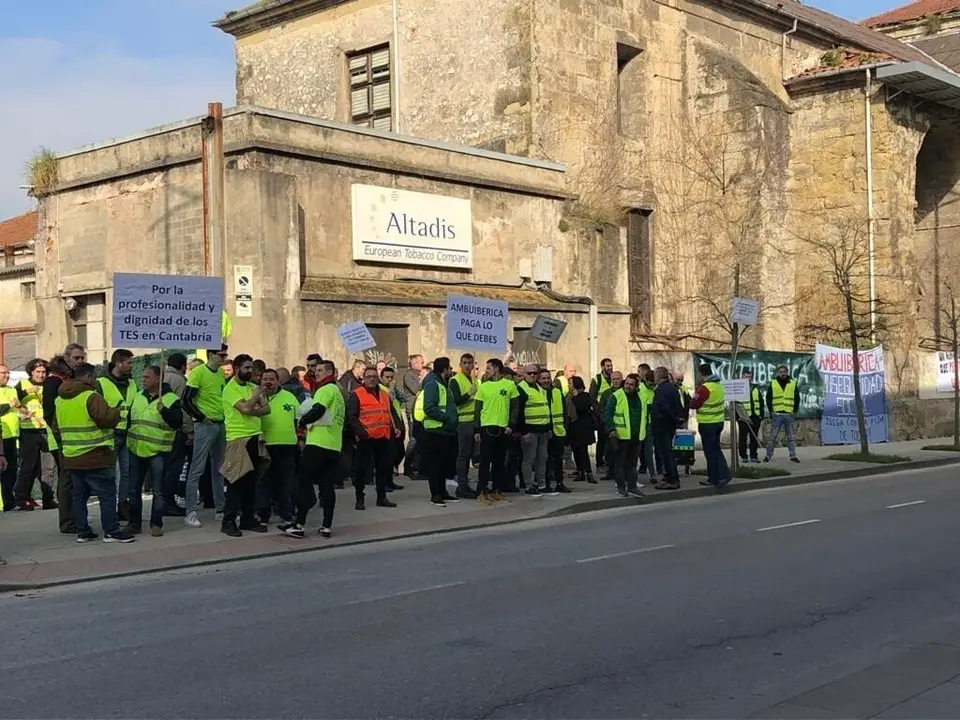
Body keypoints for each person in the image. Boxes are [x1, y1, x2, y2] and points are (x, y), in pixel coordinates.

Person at [53, 362, 134, 543]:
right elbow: (106, 419)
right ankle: (111, 531)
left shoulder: (60, 400)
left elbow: (56, 429)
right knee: (106, 494)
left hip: (72, 457)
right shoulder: (91, 397)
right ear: (89, 377)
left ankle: (83, 532)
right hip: (96, 455)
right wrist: (116, 412)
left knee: (79, 496)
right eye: (94, 377)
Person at [125, 366, 182, 536]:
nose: (143, 380)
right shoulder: (137, 396)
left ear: (158, 379)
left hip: (158, 451)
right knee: (133, 489)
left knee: (159, 491)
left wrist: (164, 411)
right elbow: (130, 419)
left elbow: (178, 422)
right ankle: (134, 523)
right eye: (143, 377)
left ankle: (156, 523)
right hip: (136, 449)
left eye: (147, 377)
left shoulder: (171, 399)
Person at [220, 354, 271, 537]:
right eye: (246, 368)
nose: (250, 371)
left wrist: (253, 405)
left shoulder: (251, 387)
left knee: (251, 482)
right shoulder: (230, 389)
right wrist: (255, 398)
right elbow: (246, 409)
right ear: (236, 368)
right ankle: (229, 520)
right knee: (236, 482)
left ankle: (248, 518)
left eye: (251, 368)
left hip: (255, 438)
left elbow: (266, 409)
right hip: (238, 439)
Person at [292, 360, 343, 538]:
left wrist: (302, 421)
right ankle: (326, 526)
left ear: (330, 372)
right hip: (333, 445)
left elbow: (318, 410)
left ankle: (299, 524)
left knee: (303, 482)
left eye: (321, 370)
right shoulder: (338, 392)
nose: (317, 373)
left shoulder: (325, 389)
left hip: (317, 444)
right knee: (326, 485)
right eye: (316, 370)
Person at [181, 345, 229, 527]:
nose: (224, 357)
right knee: (197, 468)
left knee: (219, 468)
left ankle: (220, 508)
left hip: (219, 423)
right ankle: (190, 511)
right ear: (211, 355)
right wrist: (201, 417)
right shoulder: (199, 372)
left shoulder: (219, 374)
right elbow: (185, 399)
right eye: (221, 354)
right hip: (205, 425)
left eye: (225, 354)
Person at [347, 366, 398, 510]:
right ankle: (359, 498)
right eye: (368, 376)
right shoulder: (357, 394)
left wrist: (397, 428)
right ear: (364, 378)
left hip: (383, 437)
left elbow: (391, 412)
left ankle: (381, 497)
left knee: (382, 469)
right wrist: (361, 433)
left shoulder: (384, 394)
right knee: (361, 470)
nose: (371, 379)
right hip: (366, 438)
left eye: (374, 376)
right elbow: (351, 417)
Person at [97, 349, 138, 521]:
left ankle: (123, 506)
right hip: (110, 434)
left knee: (126, 473)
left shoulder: (132, 384)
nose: (131, 366)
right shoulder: (101, 383)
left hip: (127, 434)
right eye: (129, 362)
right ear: (119, 363)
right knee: (110, 474)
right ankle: (110, 508)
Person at [473, 359, 519, 505]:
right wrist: (477, 429)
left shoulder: (510, 385)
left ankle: (497, 489)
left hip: (503, 428)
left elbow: (515, 407)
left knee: (499, 461)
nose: (486, 371)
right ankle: (482, 490)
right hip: (487, 427)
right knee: (485, 461)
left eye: (488, 368)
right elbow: (477, 409)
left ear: (497, 369)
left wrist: (511, 425)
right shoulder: (484, 387)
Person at [13, 359, 56, 511]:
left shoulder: (50, 385)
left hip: (46, 430)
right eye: (38, 372)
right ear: (31, 372)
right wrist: (27, 392)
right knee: (28, 466)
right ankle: (21, 498)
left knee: (48, 468)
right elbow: (13, 401)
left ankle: (48, 498)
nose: (41, 375)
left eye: (44, 372)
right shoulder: (23, 384)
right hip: (28, 430)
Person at [416, 357, 459, 507]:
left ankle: (443, 492)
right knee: (435, 465)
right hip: (436, 430)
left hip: (444, 430)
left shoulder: (441, 383)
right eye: (450, 368)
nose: (451, 371)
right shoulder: (433, 384)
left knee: (442, 465)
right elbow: (430, 407)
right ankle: (435, 495)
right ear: (445, 369)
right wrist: (446, 418)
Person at [259, 369, 299, 527]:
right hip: (265, 446)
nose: (268, 382)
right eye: (265, 379)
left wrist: (300, 439)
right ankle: (263, 516)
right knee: (264, 482)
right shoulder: (256, 397)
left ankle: (287, 514)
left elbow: (299, 419)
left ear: (278, 381)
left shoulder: (289, 397)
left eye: (271, 379)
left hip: (287, 446)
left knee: (286, 482)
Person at [605, 373, 647, 499]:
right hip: (621, 436)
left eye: (631, 384)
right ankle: (621, 487)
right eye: (627, 383)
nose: (628, 386)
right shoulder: (616, 396)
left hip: (636, 436)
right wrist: (611, 429)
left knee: (633, 464)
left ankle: (633, 487)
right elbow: (608, 414)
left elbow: (646, 413)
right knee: (620, 464)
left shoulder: (641, 396)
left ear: (637, 386)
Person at [690, 363, 731, 488]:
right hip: (718, 422)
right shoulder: (719, 386)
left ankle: (716, 477)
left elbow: (694, 404)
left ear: (702, 375)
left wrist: (691, 398)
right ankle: (721, 476)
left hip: (708, 424)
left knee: (710, 452)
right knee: (716, 449)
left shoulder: (704, 388)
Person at [161, 353, 190, 517]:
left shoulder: (161, 377)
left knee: (164, 468)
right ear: (183, 365)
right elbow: (183, 408)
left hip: (160, 429)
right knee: (174, 468)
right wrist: (189, 430)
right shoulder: (179, 381)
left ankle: (164, 500)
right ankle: (168, 502)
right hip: (176, 430)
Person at [518, 364, 552, 497]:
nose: (532, 375)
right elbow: (519, 412)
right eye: (529, 373)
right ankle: (528, 485)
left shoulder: (539, 387)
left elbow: (545, 408)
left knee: (542, 458)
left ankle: (542, 485)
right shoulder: (521, 389)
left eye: (534, 373)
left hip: (543, 429)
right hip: (530, 430)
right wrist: (523, 432)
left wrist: (548, 427)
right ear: (524, 374)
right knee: (529, 459)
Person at [449, 353, 479, 499]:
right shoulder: (455, 380)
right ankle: (461, 485)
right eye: (465, 363)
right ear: (460, 364)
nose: (468, 366)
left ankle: (466, 484)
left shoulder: (475, 380)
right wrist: (468, 394)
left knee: (471, 456)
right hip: (463, 422)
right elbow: (456, 400)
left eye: (470, 363)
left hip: (474, 422)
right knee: (463, 455)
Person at [651, 366, 683, 490]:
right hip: (669, 426)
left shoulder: (661, 390)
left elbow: (664, 408)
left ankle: (671, 479)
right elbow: (678, 406)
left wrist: (672, 419)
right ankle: (670, 476)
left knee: (666, 453)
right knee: (668, 452)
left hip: (662, 426)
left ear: (658, 376)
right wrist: (677, 420)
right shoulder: (673, 388)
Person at [765, 364, 801, 464]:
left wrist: (795, 411)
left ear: (787, 372)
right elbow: (768, 398)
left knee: (791, 437)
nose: (783, 374)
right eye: (781, 372)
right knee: (772, 436)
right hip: (777, 414)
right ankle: (768, 456)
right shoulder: (773, 383)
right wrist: (771, 411)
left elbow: (797, 398)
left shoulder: (793, 383)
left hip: (789, 414)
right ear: (778, 373)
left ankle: (793, 456)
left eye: (784, 372)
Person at [543, 368, 571, 493]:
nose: (546, 380)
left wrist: (565, 428)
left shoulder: (557, 392)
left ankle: (560, 482)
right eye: (543, 378)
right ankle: (546, 483)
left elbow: (564, 412)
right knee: (544, 460)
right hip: (544, 431)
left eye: (548, 378)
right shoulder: (538, 393)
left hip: (558, 430)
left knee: (558, 459)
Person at [566, 376, 598, 483]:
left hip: (583, 427)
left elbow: (582, 407)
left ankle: (588, 472)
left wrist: (575, 397)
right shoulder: (569, 396)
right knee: (576, 451)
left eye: (570, 384)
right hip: (573, 427)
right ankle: (580, 471)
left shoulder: (584, 396)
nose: (569, 386)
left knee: (583, 451)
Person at [379, 366, 406, 485]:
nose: (389, 379)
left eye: (391, 377)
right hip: (388, 423)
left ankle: (389, 480)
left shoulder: (392, 387)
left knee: (398, 452)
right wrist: (391, 389)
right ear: (381, 377)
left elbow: (403, 398)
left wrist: (396, 388)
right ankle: (386, 481)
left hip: (397, 421)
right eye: (387, 377)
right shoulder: (381, 388)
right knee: (388, 455)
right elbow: (390, 399)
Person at [400, 354, 424, 477]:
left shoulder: (418, 375)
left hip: (420, 411)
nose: (422, 364)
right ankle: (408, 465)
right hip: (412, 410)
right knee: (414, 439)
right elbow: (417, 390)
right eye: (420, 362)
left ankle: (417, 466)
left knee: (420, 439)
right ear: (414, 364)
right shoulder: (409, 375)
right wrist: (423, 379)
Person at [0, 365, 20, 512]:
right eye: (3, 373)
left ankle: (10, 501)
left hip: (13, 435)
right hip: (2, 436)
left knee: (12, 470)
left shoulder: (12, 389)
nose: (6, 375)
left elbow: (16, 408)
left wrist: (23, 414)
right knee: (4, 471)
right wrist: (8, 405)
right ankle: (6, 502)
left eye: (8, 372)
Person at [589, 357, 615, 472]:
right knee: (602, 440)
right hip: (602, 415)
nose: (610, 368)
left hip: (614, 414)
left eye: (611, 365)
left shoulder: (614, 378)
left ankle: (609, 462)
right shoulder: (597, 380)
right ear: (603, 367)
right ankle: (599, 463)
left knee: (611, 440)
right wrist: (599, 412)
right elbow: (592, 398)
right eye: (607, 366)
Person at [597, 371, 623, 480]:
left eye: (618, 379)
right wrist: (606, 422)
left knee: (621, 452)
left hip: (623, 427)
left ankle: (620, 473)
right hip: (610, 427)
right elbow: (601, 409)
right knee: (609, 451)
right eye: (614, 379)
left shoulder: (625, 392)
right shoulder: (606, 393)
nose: (616, 381)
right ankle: (610, 472)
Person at [738, 369, 764, 464]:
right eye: (746, 377)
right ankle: (744, 456)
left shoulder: (756, 388)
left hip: (755, 417)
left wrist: (761, 415)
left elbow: (761, 402)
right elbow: (736, 404)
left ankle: (754, 456)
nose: (748, 379)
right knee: (743, 438)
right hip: (743, 418)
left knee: (754, 438)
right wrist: (738, 417)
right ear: (742, 377)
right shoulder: (739, 389)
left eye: (750, 377)